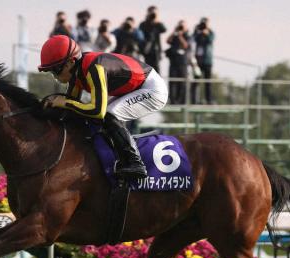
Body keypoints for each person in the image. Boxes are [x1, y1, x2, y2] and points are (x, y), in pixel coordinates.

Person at [38, 35, 169, 180]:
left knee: (109, 114)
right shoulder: (76, 71)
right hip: (134, 87)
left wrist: (64, 103)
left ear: (70, 62)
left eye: (55, 70)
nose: (54, 76)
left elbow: (97, 111)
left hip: (152, 88)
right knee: (97, 116)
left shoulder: (94, 68)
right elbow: (71, 106)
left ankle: (135, 163)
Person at [165, 20, 190, 105]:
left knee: (182, 82)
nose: (181, 28)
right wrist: (174, 32)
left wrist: (180, 36)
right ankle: (172, 100)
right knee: (173, 82)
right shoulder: (174, 35)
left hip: (183, 63)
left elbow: (186, 45)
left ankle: (181, 100)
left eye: (182, 26)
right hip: (173, 62)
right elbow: (168, 41)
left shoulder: (188, 36)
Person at [192, 17, 215, 104]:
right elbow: (194, 39)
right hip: (198, 61)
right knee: (196, 81)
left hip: (207, 61)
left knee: (208, 82)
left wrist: (206, 33)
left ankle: (209, 100)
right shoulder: (198, 32)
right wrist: (197, 30)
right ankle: (194, 100)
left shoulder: (211, 33)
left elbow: (210, 40)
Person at [139, 6, 167, 73]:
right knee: (147, 69)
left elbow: (164, 29)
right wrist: (148, 20)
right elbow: (140, 32)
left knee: (157, 69)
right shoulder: (143, 24)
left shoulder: (158, 24)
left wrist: (156, 20)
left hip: (156, 50)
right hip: (147, 49)